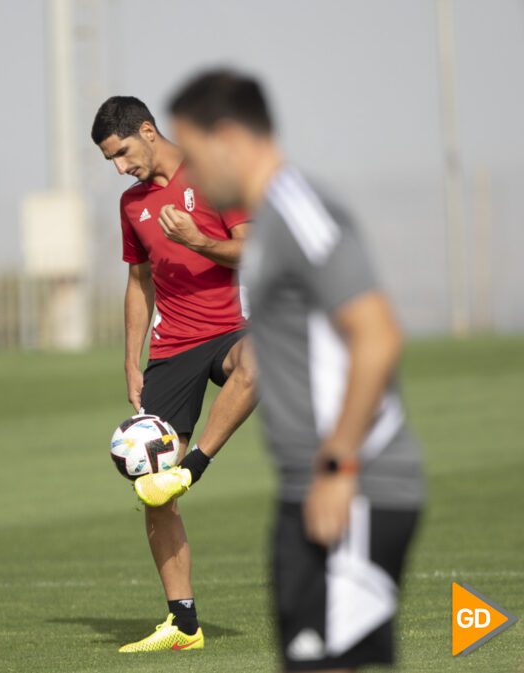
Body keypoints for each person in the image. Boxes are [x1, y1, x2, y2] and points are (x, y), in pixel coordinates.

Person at [157, 69, 424, 671]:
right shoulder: (271, 219)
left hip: (355, 488)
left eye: (193, 155)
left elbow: (378, 336)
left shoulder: (298, 212)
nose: (191, 175)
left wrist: (338, 464)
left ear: (227, 136)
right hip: (316, 488)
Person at [90, 96, 258, 652]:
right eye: (110, 160)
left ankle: (195, 466)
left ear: (147, 130)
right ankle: (184, 626)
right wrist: (129, 359)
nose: (119, 167)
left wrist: (199, 241)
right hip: (171, 349)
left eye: (122, 153)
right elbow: (139, 283)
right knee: (152, 489)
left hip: (231, 329)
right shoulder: (131, 204)